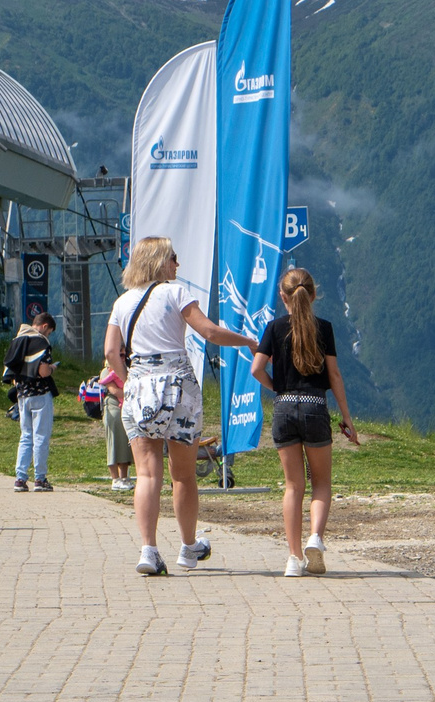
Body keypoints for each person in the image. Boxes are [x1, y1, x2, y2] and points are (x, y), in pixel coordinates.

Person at [104, 236, 260, 577]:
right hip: (178, 385)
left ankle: (148, 549)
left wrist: (127, 379)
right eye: (173, 257)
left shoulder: (122, 303)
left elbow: (111, 352)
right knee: (183, 475)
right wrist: (248, 341)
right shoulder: (176, 293)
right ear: (160, 262)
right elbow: (210, 332)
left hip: (140, 386)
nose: (178, 264)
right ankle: (188, 548)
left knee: (146, 472)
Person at [253, 268, 358, 577]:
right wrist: (347, 418)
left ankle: (293, 559)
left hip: (284, 409)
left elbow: (257, 369)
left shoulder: (274, 328)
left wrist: (279, 389)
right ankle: (316, 538)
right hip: (315, 407)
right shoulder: (323, 328)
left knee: (293, 486)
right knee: (321, 483)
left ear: (283, 297)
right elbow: (334, 375)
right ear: (313, 295)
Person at [3, 307, 59, 491]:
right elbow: (42, 371)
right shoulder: (41, 343)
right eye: (49, 332)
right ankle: (40, 479)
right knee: (40, 437)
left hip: (22, 395)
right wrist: (51, 368)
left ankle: (20, 478)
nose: (48, 335)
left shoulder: (18, 339)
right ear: (44, 326)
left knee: (25, 437)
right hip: (40, 395)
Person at [100, 367, 133, 487]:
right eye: (120, 355)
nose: (122, 358)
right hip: (113, 407)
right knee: (114, 442)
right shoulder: (107, 371)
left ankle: (124, 477)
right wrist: (133, 392)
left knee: (124, 443)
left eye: (124, 355)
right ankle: (115, 478)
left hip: (126, 408)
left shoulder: (127, 370)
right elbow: (114, 391)